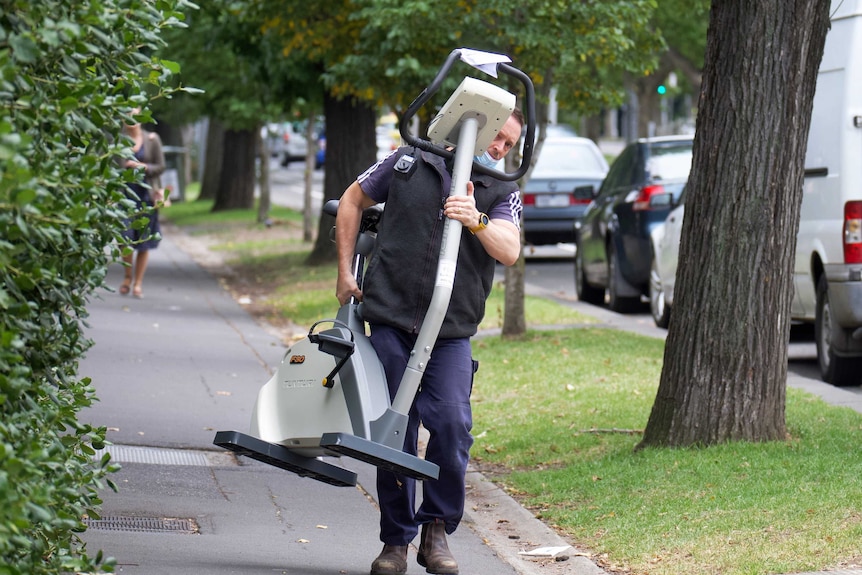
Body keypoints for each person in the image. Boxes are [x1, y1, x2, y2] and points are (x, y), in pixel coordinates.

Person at [335, 109, 524, 575]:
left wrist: (476, 219)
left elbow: (510, 249)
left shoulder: (501, 190)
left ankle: (436, 530)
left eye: (509, 144)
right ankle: (395, 543)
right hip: (393, 318)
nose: (500, 149)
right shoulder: (406, 162)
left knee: (453, 425)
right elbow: (351, 200)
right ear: (474, 127)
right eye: (497, 138)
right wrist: (343, 272)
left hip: (451, 331)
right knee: (395, 429)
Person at [118, 109, 165, 298]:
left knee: (144, 240)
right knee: (125, 237)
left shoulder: (152, 140)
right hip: (124, 194)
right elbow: (113, 165)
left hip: (146, 195)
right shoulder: (119, 140)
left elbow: (161, 166)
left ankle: (138, 282)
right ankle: (128, 276)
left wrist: (142, 167)